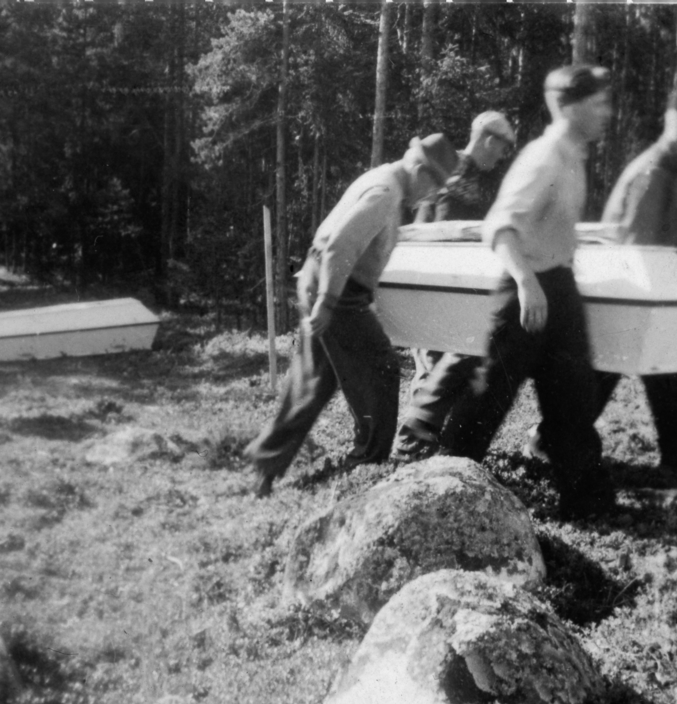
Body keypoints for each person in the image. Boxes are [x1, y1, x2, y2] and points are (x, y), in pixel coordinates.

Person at [438, 65, 617, 520]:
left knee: (573, 400)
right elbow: (499, 226)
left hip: (558, 286)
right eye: (599, 104)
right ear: (570, 106)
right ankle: (440, 488)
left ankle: (588, 508)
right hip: (524, 291)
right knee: (487, 398)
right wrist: (525, 281)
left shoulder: (575, 157)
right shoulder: (543, 157)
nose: (607, 114)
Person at [246, 134, 460, 497]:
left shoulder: (383, 178)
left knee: (312, 382)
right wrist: (328, 303)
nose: (430, 196)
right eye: (433, 187)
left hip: (326, 281)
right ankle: (367, 465)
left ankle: (265, 466)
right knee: (382, 371)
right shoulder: (385, 193)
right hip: (338, 291)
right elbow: (340, 246)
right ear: (420, 171)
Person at [526, 86, 677, 472]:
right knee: (613, 372)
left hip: (636, 287)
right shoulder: (653, 172)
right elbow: (639, 245)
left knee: (649, 366)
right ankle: (547, 440)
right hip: (625, 288)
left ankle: (673, 450)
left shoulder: (671, 168)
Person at [395, 111, 518, 461]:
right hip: (438, 278)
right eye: (503, 146)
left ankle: (430, 444)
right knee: (433, 362)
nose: (503, 155)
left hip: (469, 280)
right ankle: (412, 448)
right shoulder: (450, 168)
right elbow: (424, 220)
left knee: (457, 362)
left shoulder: (489, 179)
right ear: (489, 139)